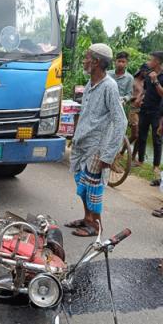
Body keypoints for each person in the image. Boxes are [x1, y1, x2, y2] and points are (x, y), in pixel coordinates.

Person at [65, 44, 127, 237]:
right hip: (83, 144)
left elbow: (121, 121)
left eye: (87, 57)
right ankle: (87, 219)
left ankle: (95, 226)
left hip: (97, 147)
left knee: (93, 188)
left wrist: (108, 154)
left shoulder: (109, 86)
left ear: (96, 62)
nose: (84, 61)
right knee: (82, 185)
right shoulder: (91, 84)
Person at [136, 52, 163, 183]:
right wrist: (139, 98)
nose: (148, 61)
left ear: (157, 61)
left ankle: (156, 166)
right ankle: (140, 161)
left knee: (156, 139)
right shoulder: (148, 73)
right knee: (142, 135)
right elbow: (146, 89)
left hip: (157, 112)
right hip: (145, 109)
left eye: (151, 59)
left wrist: (156, 80)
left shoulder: (160, 75)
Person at [129, 64, 149, 160]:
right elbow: (128, 95)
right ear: (141, 70)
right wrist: (136, 98)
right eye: (145, 71)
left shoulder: (146, 82)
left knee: (140, 135)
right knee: (135, 135)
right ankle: (121, 151)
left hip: (143, 110)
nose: (146, 73)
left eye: (147, 72)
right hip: (133, 109)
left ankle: (133, 156)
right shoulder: (133, 81)